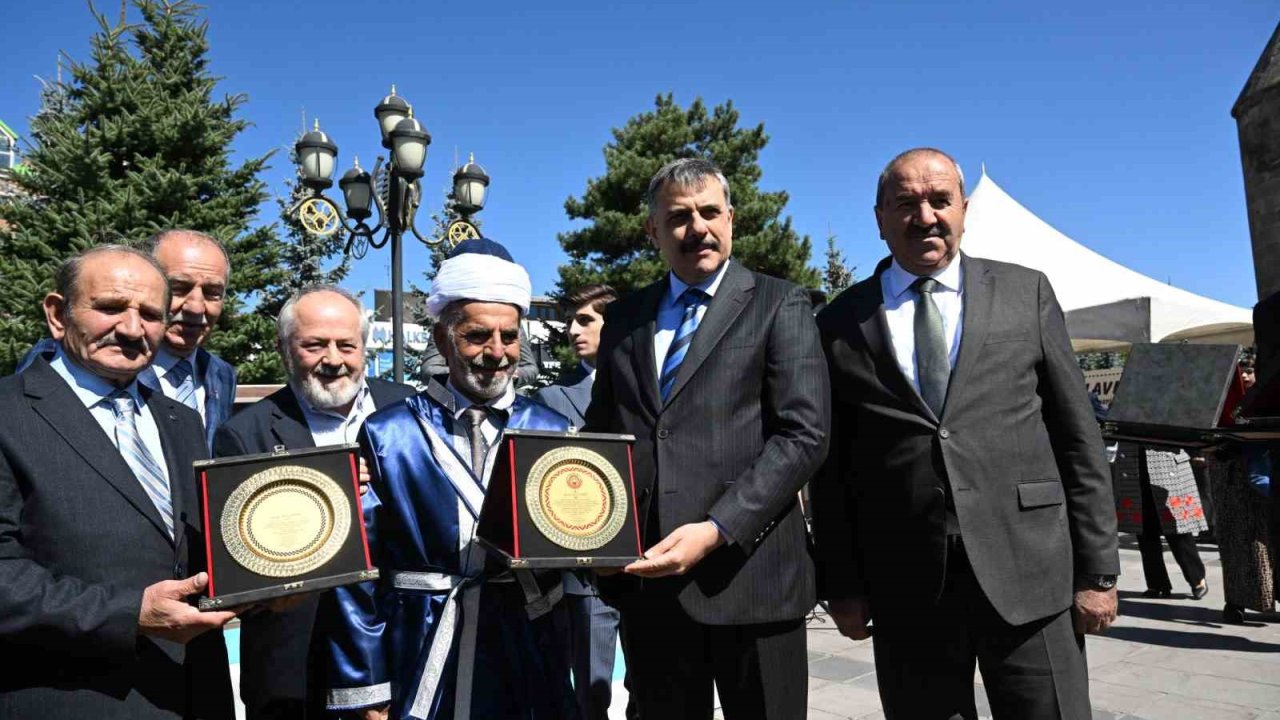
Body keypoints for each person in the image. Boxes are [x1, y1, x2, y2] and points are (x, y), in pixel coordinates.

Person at [811, 148, 1119, 719]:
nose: (924, 216)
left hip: (1031, 574)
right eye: (905, 203)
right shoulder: (837, 323)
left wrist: (1098, 570)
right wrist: (843, 584)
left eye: (939, 200)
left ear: (964, 208)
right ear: (879, 218)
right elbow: (832, 470)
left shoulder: (1025, 292)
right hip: (906, 587)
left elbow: (1078, 437)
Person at [585, 158, 831, 719]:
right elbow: (604, 439)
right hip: (649, 587)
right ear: (653, 232)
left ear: (731, 220)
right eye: (677, 217)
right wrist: (593, 540)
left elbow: (804, 434)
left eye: (709, 212)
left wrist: (719, 528)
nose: (696, 227)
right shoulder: (624, 320)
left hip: (754, 578)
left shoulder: (780, 303)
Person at [324, 238, 578, 720]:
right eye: (478, 336)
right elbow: (357, 571)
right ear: (443, 339)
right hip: (422, 645)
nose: (497, 353)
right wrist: (366, 685)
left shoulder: (550, 430)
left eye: (509, 336)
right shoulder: (388, 434)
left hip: (528, 644)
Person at [0, 245, 239, 718]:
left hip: (194, 695)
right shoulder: (9, 414)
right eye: (110, 307)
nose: (132, 329)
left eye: (150, 314)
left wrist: (274, 581)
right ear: (57, 314)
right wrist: (130, 614)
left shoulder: (181, 420)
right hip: (72, 700)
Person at [212, 285, 415, 720]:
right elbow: (238, 561)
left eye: (347, 344)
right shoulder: (245, 433)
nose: (334, 359)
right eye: (314, 345)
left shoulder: (409, 408)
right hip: (299, 662)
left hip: (403, 646)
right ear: (285, 350)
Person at [18, 229, 238, 450]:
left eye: (212, 293)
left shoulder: (221, 374)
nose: (196, 307)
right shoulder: (59, 358)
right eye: (179, 288)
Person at [534, 284, 621, 720]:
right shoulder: (551, 399)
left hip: (655, 568)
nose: (571, 330)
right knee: (591, 694)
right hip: (585, 574)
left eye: (585, 320)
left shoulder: (652, 385)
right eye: (571, 320)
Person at [1112, 443, 1208, 599]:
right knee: (1144, 530)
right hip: (1133, 464)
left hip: (1167, 463)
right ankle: (1156, 584)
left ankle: (1197, 579)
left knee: (1178, 530)